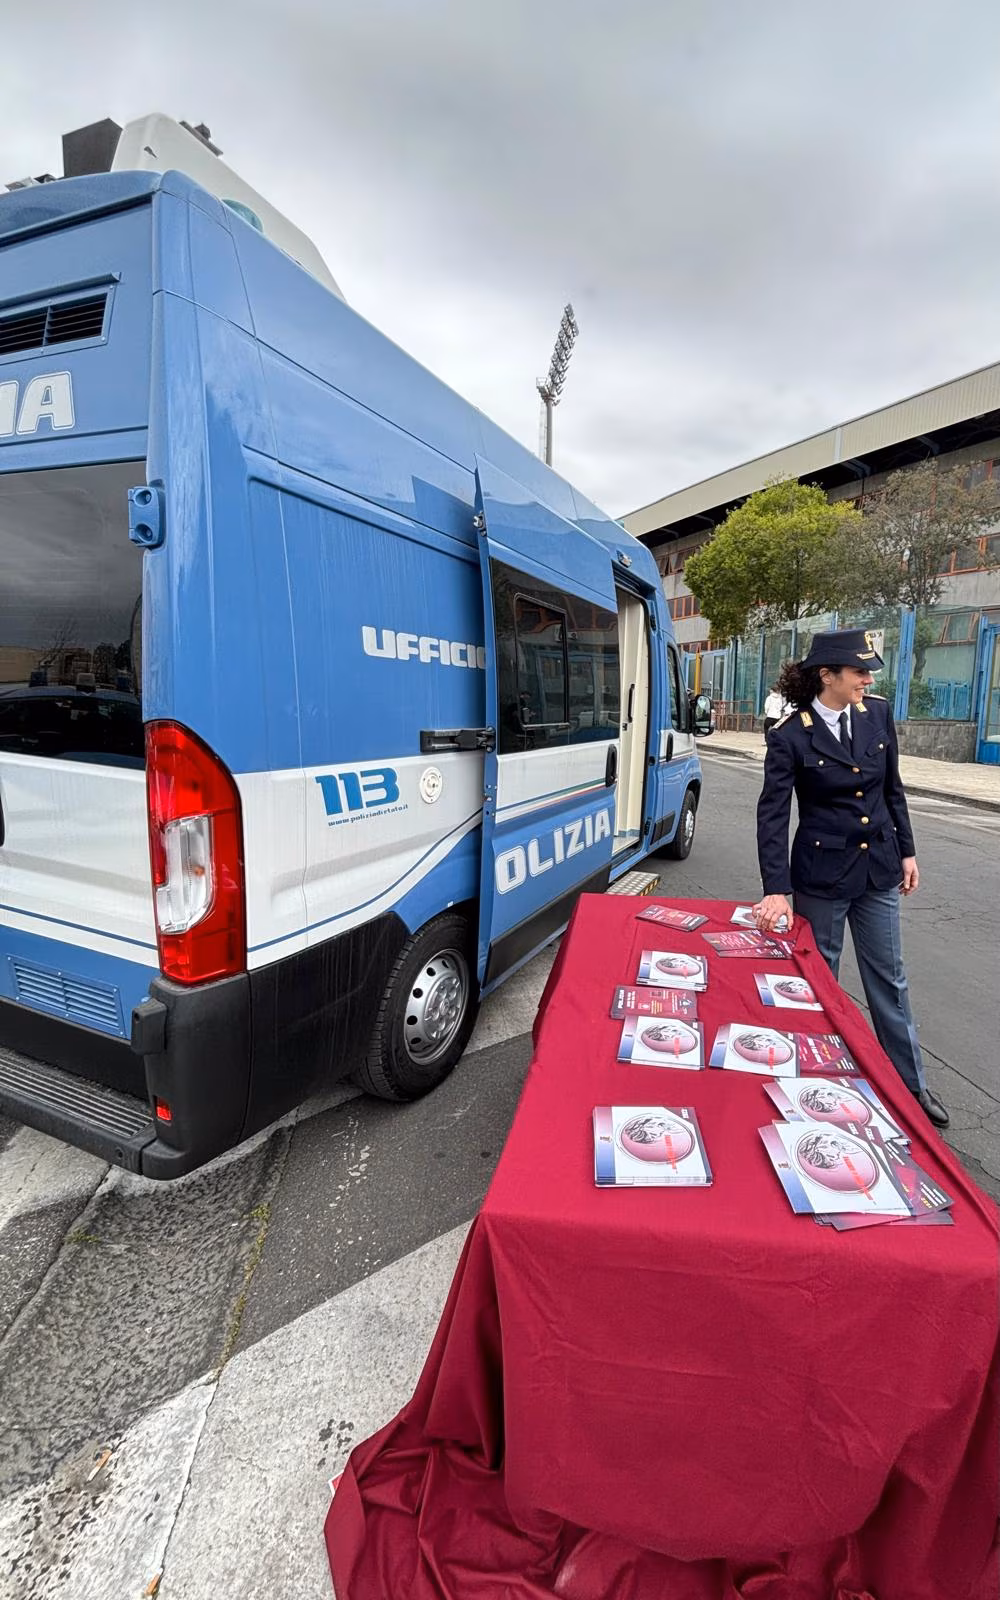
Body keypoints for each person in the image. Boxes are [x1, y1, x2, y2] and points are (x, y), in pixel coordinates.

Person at [752, 627, 948, 1128]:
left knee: (889, 978)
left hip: (879, 868)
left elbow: (892, 791)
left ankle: (910, 1085)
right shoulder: (791, 734)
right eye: (859, 671)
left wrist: (907, 851)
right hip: (821, 875)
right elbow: (773, 814)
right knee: (818, 981)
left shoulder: (878, 714)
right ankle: (815, 1083)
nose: (867, 678)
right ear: (828, 675)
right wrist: (777, 889)